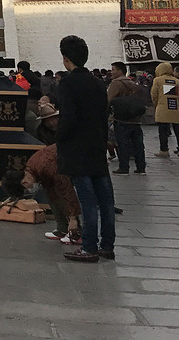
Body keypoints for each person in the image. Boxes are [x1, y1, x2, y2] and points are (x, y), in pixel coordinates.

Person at [56, 35, 115, 263]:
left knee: (88, 200)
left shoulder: (69, 83)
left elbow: (68, 119)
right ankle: (107, 245)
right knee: (106, 200)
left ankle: (89, 246)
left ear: (65, 58)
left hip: (78, 148)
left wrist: (59, 138)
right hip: (97, 145)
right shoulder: (98, 83)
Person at [19, 144, 81, 246]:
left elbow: (66, 189)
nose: (30, 190)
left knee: (63, 192)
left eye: (26, 188)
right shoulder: (33, 167)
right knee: (51, 193)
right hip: (63, 156)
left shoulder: (45, 166)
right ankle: (63, 228)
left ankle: (77, 232)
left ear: (24, 182)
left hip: (75, 158)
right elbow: (52, 192)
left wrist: (73, 218)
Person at [107, 62, 146, 175]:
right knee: (138, 144)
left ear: (120, 70)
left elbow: (109, 100)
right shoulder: (132, 83)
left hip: (121, 119)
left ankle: (124, 167)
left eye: (113, 69)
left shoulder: (116, 83)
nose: (111, 72)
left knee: (122, 143)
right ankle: (141, 167)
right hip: (135, 118)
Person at [151, 62, 179, 158]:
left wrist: (157, 104)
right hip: (174, 107)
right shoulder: (177, 81)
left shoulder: (157, 80)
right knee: (178, 130)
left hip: (162, 108)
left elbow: (154, 95)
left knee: (162, 130)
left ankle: (164, 150)